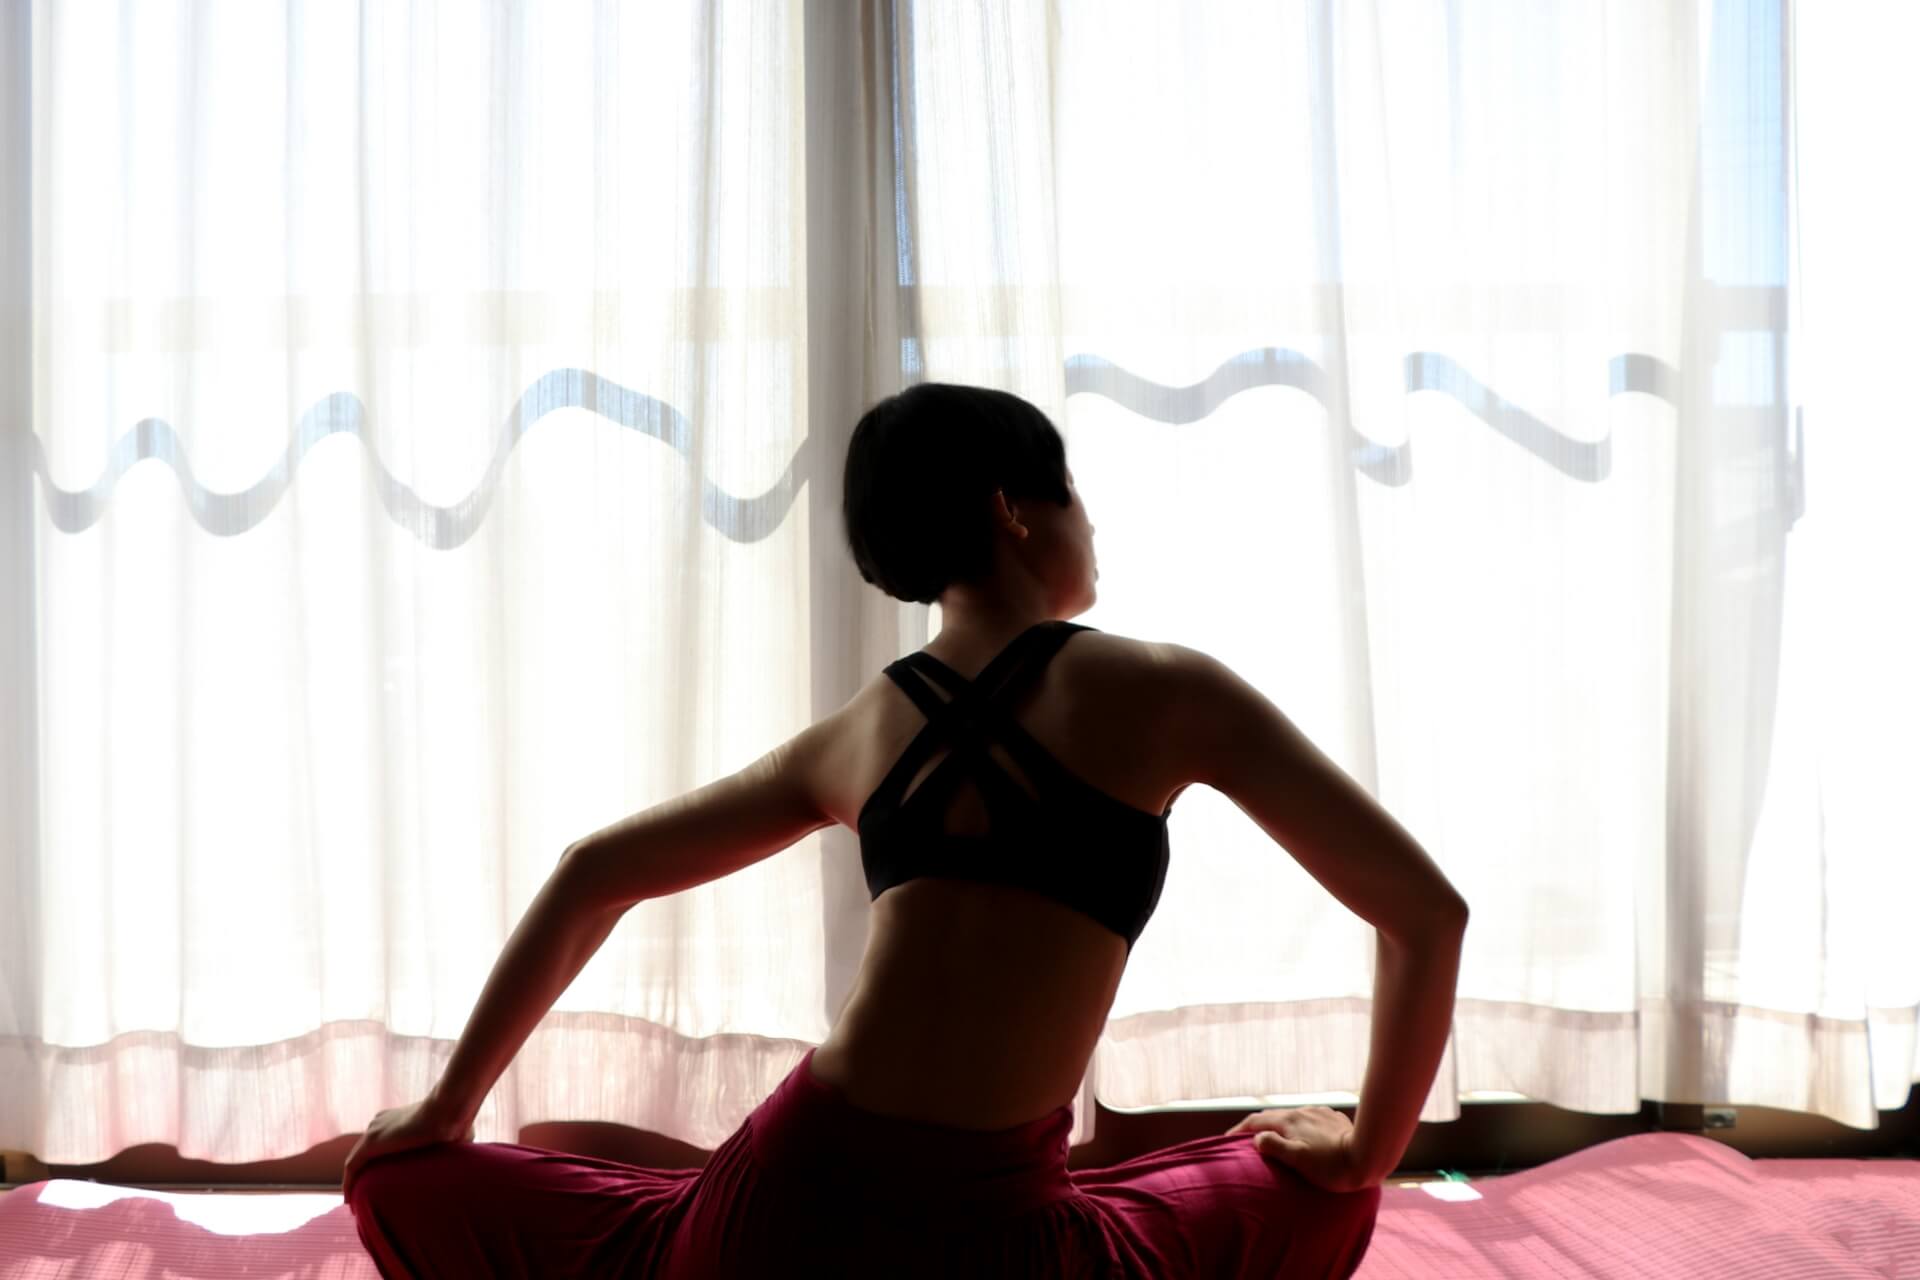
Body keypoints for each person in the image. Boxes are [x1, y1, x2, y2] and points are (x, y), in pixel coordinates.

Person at [343, 382, 1469, 1277]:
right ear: (1011, 507)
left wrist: (449, 1105)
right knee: (1313, 1191)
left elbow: (594, 870)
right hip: (1003, 1240)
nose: (1091, 522)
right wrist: (1367, 1149)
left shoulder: (855, 732)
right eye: (1073, 494)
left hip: (770, 1221)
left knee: (401, 1181)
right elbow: (1427, 913)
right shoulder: (1171, 690)